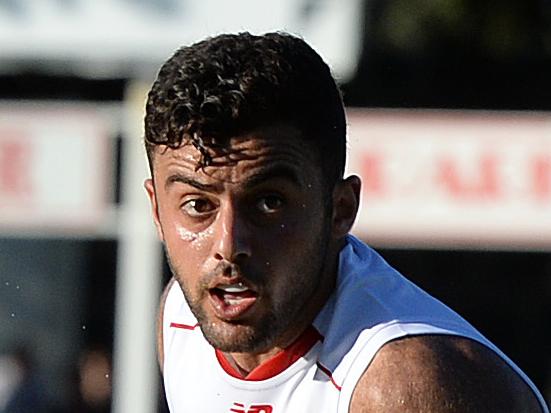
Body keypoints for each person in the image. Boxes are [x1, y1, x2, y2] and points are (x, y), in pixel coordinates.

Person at [143, 32, 549, 412]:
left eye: (268, 203)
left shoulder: (401, 386)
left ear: (340, 210)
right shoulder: (180, 318)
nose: (228, 245)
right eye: (198, 206)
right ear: (158, 211)